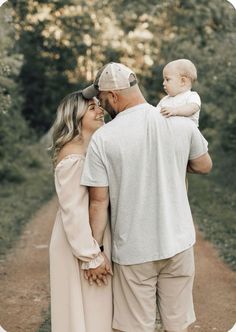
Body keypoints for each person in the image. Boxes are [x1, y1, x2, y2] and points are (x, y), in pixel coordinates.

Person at [80, 62, 213, 332]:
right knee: (177, 325)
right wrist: (171, 162)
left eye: (102, 98)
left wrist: (96, 251)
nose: (101, 105)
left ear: (115, 96)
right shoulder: (180, 123)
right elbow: (204, 165)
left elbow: (98, 201)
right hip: (178, 242)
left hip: (134, 251)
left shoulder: (104, 139)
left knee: (135, 327)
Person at [49, 91, 113, 332]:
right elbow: (74, 212)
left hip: (90, 238)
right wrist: (91, 257)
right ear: (75, 116)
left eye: (100, 105)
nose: (100, 110)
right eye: (92, 108)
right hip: (78, 243)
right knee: (88, 312)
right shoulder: (72, 155)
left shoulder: (90, 148)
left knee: (95, 312)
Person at [157, 59, 201, 127]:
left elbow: (192, 108)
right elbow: (156, 114)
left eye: (167, 79)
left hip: (186, 133)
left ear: (182, 81)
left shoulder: (191, 96)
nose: (163, 83)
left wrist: (175, 111)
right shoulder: (165, 100)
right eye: (164, 80)